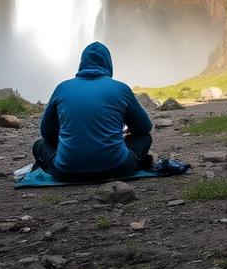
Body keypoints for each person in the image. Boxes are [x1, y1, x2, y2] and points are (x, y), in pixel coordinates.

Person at [32, 41, 153, 182]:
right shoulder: (121, 89)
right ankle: (133, 163)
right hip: (118, 168)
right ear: (109, 63)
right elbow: (145, 128)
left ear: (82, 63)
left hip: (66, 172)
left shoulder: (62, 88)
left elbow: (46, 132)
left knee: (39, 145)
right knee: (145, 138)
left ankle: (68, 162)